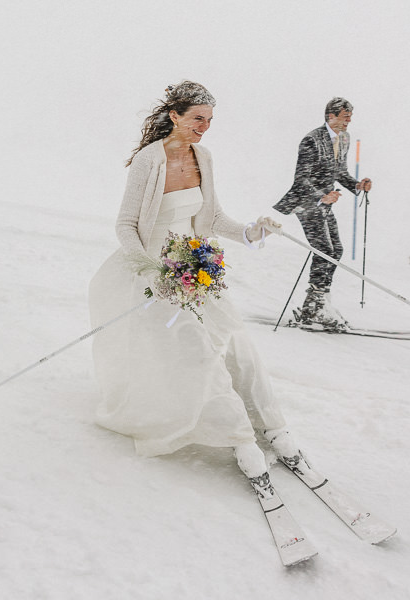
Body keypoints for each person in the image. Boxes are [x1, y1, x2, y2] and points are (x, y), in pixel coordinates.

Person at [88, 81, 305, 496]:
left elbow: (213, 216)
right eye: (197, 119)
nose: (204, 128)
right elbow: (125, 225)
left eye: (209, 121)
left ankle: (272, 427)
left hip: (195, 267)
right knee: (197, 349)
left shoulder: (203, 156)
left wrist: (251, 231)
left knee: (238, 344)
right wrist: (149, 269)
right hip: (154, 274)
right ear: (175, 116)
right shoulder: (149, 162)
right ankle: (241, 440)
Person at [273, 98, 372, 327]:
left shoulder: (344, 139)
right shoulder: (311, 140)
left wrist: (357, 185)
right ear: (331, 116)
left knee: (335, 249)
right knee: (324, 249)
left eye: (350, 117)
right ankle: (315, 306)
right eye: (345, 116)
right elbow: (301, 178)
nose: (349, 121)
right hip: (305, 201)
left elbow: (340, 171)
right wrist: (321, 196)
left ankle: (318, 301)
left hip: (324, 202)